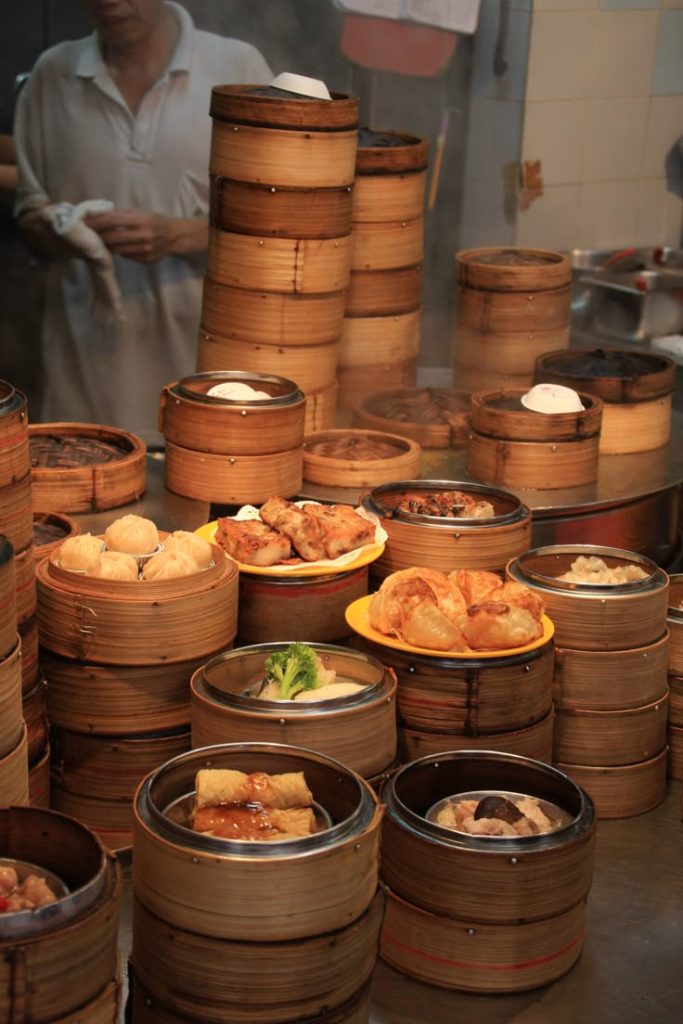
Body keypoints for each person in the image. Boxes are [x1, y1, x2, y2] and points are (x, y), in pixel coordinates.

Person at [14, 0, 272, 443]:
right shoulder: (52, 76)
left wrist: (179, 235)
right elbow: (29, 214)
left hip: (210, 376)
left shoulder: (237, 67)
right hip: (88, 372)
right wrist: (65, 230)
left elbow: (281, 221)